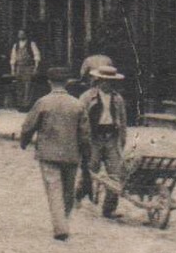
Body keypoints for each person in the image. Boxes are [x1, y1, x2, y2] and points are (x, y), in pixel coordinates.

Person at [19, 67, 91, 241]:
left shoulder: (43, 103)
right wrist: (86, 154)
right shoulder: (77, 104)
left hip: (48, 154)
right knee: (68, 191)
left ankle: (60, 227)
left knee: (54, 189)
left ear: (49, 82)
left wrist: (24, 141)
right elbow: (85, 134)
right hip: (71, 154)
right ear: (66, 83)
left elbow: (29, 125)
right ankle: (63, 221)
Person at [79, 64, 128, 216]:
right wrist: (81, 141)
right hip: (94, 138)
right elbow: (79, 119)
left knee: (116, 174)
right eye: (105, 81)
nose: (108, 84)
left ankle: (109, 209)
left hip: (111, 138)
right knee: (90, 170)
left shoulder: (117, 99)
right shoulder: (87, 97)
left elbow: (123, 121)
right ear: (99, 81)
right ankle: (77, 196)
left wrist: (121, 141)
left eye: (111, 81)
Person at [9, 29, 41, 111]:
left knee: (28, 86)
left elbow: (36, 56)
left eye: (22, 34)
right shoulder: (16, 45)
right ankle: (20, 104)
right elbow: (13, 57)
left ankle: (26, 105)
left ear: (25, 35)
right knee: (19, 86)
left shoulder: (31, 44)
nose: (21, 35)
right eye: (19, 34)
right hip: (19, 67)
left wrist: (35, 67)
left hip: (28, 67)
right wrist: (13, 69)